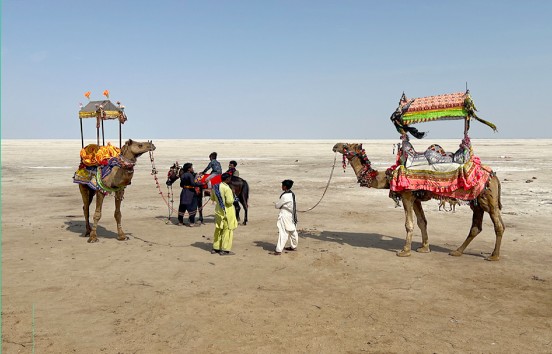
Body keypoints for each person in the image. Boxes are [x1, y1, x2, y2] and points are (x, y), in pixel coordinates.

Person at [210, 173, 238, 255]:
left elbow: (212, 198)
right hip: (227, 212)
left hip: (218, 211)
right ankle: (225, 249)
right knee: (227, 230)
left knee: (218, 230)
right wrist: (233, 195)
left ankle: (216, 248)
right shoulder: (227, 188)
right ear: (227, 179)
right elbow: (229, 202)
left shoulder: (215, 187)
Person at [273, 179, 299, 255]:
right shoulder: (292, 194)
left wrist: (276, 204)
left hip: (285, 216)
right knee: (293, 231)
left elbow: (278, 206)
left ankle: (278, 250)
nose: (281, 187)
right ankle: (293, 246)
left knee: (283, 232)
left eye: (282, 186)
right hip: (291, 215)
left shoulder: (285, 196)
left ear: (285, 186)